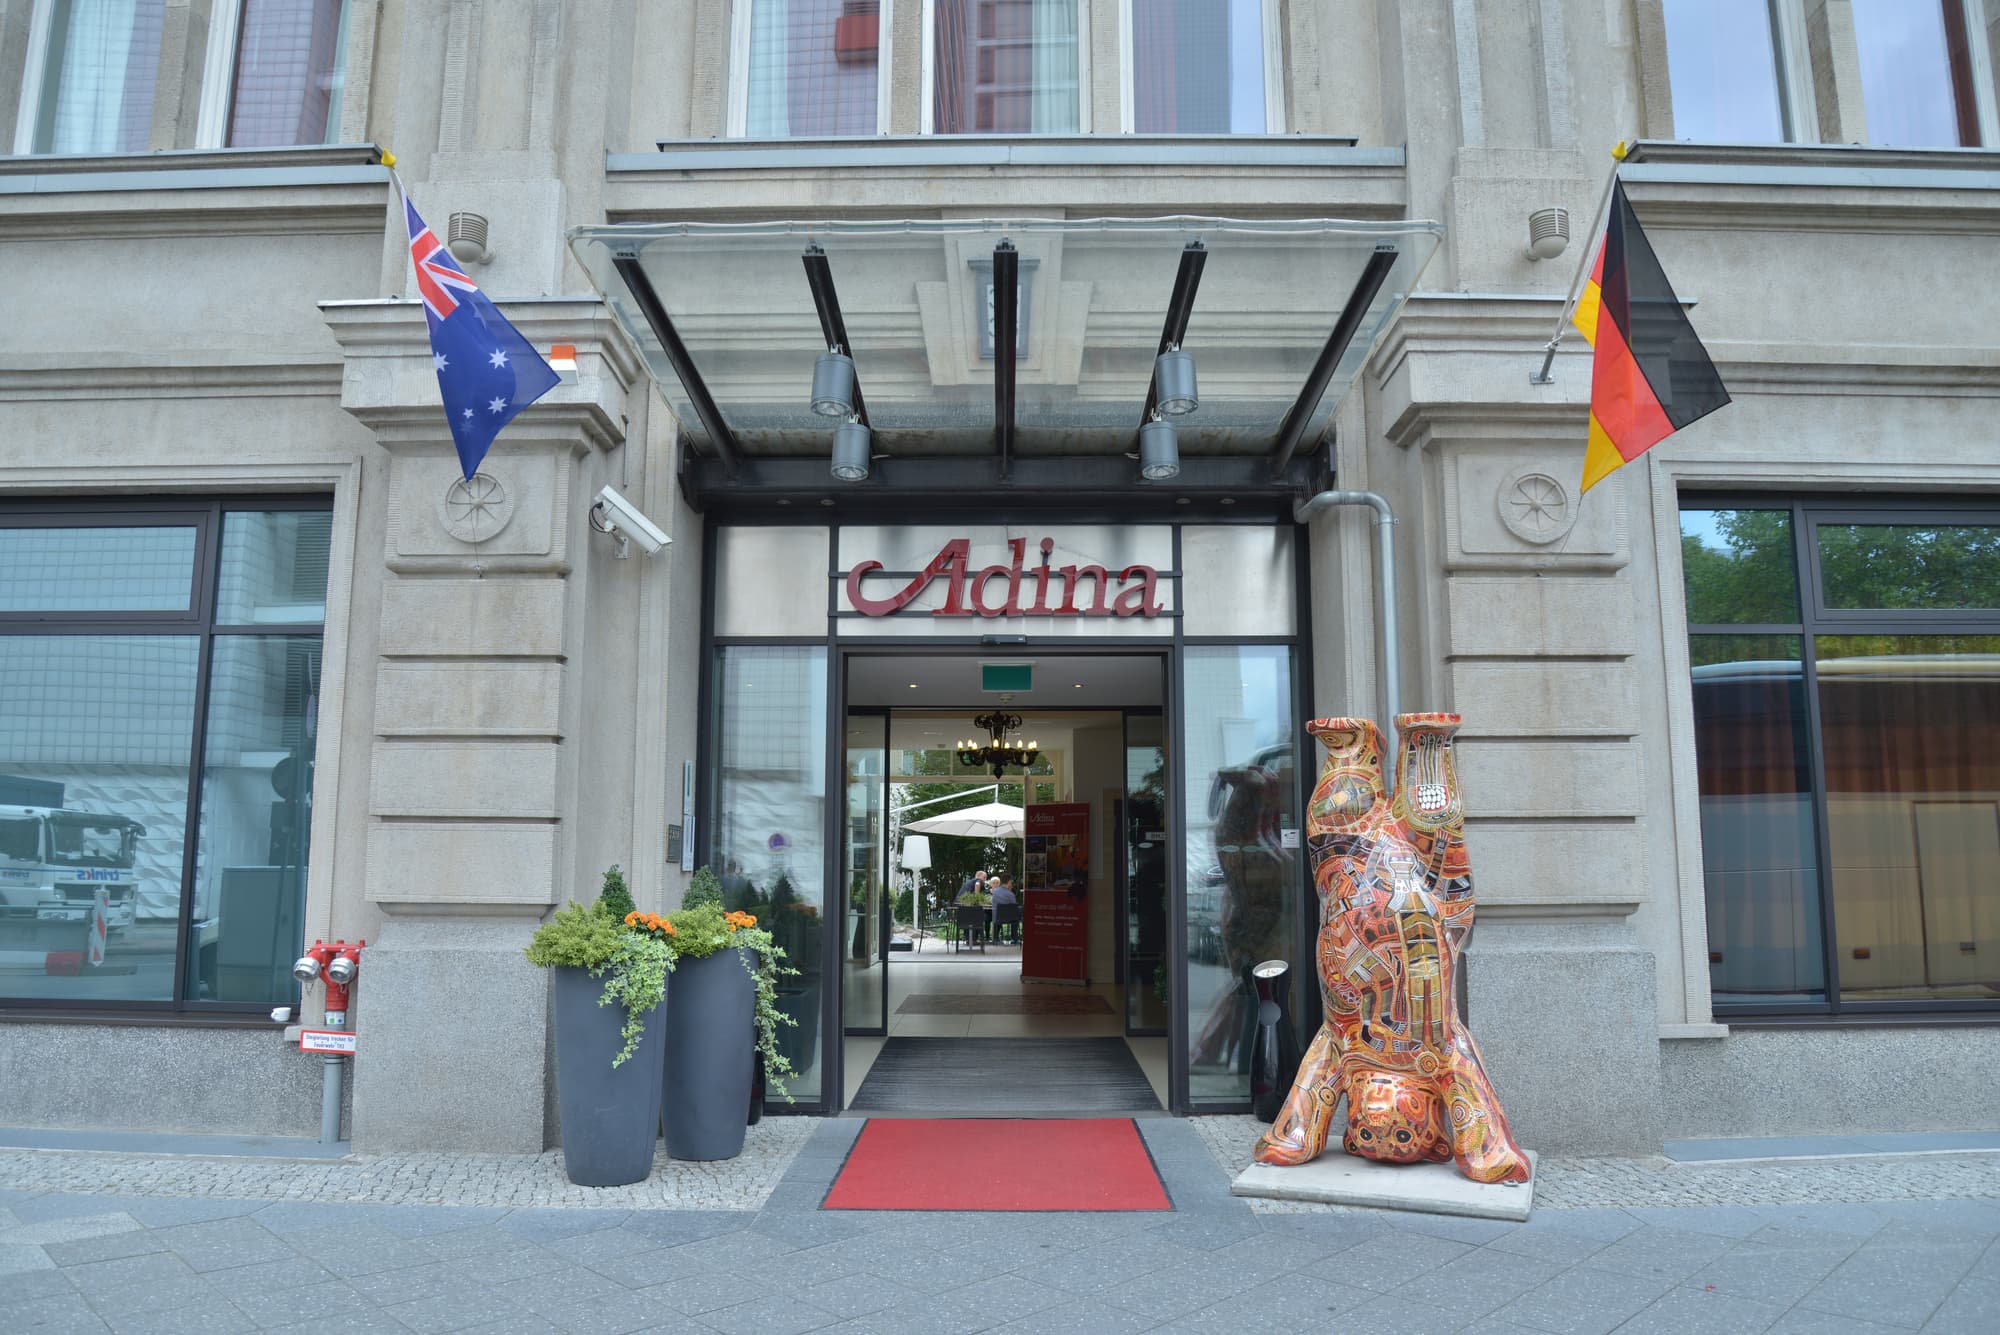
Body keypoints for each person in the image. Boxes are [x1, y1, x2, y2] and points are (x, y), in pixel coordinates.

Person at [989, 872, 1019, 944]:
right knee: (1016, 917)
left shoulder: (994, 892)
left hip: (996, 918)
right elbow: (1014, 907)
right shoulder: (1010, 894)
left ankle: (995, 938)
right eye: (1011, 882)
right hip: (1009, 918)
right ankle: (1014, 939)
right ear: (1009, 882)